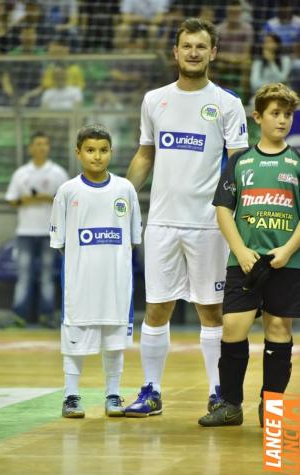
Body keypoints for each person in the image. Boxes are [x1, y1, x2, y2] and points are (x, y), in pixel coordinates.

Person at [124, 17, 249, 418]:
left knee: (210, 311)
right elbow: (146, 154)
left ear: (213, 52)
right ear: (175, 52)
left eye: (201, 46)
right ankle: (151, 391)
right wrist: (122, 199)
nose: (193, 52)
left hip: (209, 225)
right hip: (161, 222)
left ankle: (217, 392)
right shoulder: (153, 99)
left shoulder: (228, 103)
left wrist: (236, 217)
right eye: (186, 46)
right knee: (156, 308)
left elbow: (237, 164)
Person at [198, 82, 300, 427]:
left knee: (278, 327)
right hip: (243, 262)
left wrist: (286, 250)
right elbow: (224, 209)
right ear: (257, 117)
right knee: (232, 327)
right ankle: (229, 404)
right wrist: (240, 251)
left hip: (287, 262)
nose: (282, 120)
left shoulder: (297, 162)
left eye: (287, 114)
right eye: (275, 113)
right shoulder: (241, 161)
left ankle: (271, 405)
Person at [49, 124, 142, 418]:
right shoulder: (67, 191)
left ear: (111, 152)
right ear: (78, 153)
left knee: (115, 341)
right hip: (80, 284)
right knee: (74, 337)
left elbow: (133, 239)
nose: (97, 157)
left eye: (103, 150)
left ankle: (113, 394)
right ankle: (71, 396)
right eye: (90, 150)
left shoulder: (125, 189)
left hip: (116, 284)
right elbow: (61, 242)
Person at [5, 132, 69, 327]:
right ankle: (19, 316)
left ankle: (47, 315)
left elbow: (67, 202)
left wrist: (47, 198)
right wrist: (25, 200)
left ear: (49, 148)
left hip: (50, 232)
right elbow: (12, 200)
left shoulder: (58, 173)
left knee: (47, 276)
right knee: (23, 275)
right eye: (38, 144)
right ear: (31, 148)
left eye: (45, 144)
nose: (41, 147)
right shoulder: (21, 173)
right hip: (25, 232)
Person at [250, 33, 291, 97]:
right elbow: (254, 83)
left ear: (277, 44)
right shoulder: (258, 61)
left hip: (281, 93)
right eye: (265, 42)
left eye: (270, 42)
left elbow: (283, 79)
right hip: (263, 94)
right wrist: (269, 89)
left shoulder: (285, 60)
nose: (267, 45)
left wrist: (271, 62)